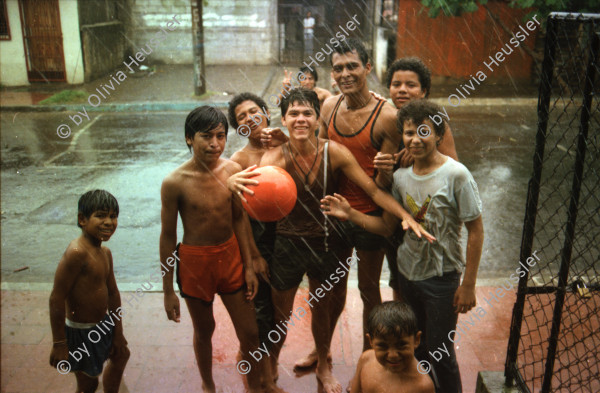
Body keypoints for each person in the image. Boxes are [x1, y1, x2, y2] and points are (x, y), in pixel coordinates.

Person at [234, 88, 433, 393]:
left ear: (317, 117)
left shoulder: (334, 152)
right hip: (288, 244)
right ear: (284, 119)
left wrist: (402, 214)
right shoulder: (274, 157)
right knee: (280, 314)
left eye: (307, 113)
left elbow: (373, 190)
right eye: (294, 114)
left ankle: (324, 366)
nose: (300, 119)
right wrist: (229, 181)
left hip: (327, 242)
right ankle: (272, 362)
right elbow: (248, 202)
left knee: (322, 310)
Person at [322, 99, 484, 393]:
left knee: (441, 352)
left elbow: (476, 229)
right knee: (417, 351)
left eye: (424, 131)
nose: (415, 139)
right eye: (409, 133)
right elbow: (385, 226)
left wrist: (469, 283)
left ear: (438, 134)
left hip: (442, 277)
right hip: (409, 276)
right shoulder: (399, 178)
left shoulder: (456, 174)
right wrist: (351, 214)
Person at [159, 106, 283, 393]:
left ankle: (254, 387)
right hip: (194, 263)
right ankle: (208, 385)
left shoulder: (233, 171)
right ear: (190, 138)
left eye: (221, 136)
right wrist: (167, 289)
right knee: (204, 331)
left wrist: (249, 264)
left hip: (230, 258)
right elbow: (167, 236)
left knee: (250, 332)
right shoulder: (174, 182)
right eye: (206, 137)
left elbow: (239, 218)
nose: (215, 144)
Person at [316, 38, 400, 355]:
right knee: (331, 288)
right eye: (338, 68)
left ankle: (370, 354)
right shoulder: (328, 106)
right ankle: (321, 349)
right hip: (335, 212)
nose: (345, 74)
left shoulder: (387, 116)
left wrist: (387, 168)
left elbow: (383, 182)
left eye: (352, 66)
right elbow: (320, 160)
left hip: (369, 215)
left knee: (368, 290)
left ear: (367, 67)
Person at [376, 57, 459, 301]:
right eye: (396, 84)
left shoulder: (434, 121)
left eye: (410, 85)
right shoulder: (389, 119)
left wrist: (421, 154)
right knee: (399, 280)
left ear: (424, 91)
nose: (402, 90)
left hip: (428, 216)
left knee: (432, 278)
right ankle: (406, 332)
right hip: (396, 215)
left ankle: (431, 329)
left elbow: (453, 166)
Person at [49, 190, 130, 393]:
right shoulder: (76, 253)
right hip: (81, 332)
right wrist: (59, 343)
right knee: (88, 384)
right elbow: (56, 298)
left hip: (103, 325)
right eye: (101, 215)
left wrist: (118, 332)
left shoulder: (105, 253)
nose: (109, 222)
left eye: (113, 216)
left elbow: (113, 294)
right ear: (82, 219)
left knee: (121, 354)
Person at [226, 92, 288, 359]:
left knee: (283, 310)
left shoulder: (285, 144)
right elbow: (237, 216)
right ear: (238, 128)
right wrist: (255, 256)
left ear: (266, 112)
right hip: (259, 241)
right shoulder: (238, 162)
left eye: (254, 111)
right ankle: (257, 365)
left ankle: (272, 361)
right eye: (242, 117)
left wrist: (284, 143)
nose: (250, 118)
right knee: (262, 310)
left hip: (289, 239)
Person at [349, 301, 434, 393]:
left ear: (416, 340)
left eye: (401, 345)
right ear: (371, 341)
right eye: (383, 346)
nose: (393, 355)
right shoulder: (366, 359)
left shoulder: (422, 386)